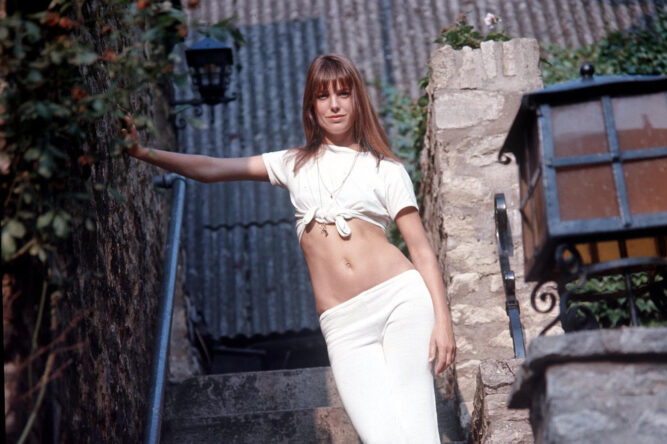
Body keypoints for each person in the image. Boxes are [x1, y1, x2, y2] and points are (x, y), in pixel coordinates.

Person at [122, 54, 455, 443]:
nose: (334, 105)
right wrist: (143, 153)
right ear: (311, 107)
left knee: (419, 430)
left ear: (357, 100)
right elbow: (212, 168)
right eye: (323, 96)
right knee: (380, 436)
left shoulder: (386, 170)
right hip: (344, 324)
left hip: (400, 302)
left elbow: (421, 251)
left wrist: (443, 323)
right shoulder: (293, 164)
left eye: (343, 94)